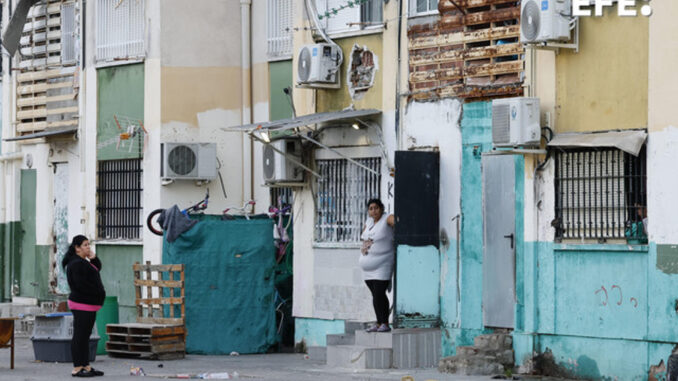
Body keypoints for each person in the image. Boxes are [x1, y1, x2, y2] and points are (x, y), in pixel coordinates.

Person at [62, 235, 106, 377]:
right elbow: (80, 285)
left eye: (89, 244)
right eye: (85, 245)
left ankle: (86, 366)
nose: (88, 247)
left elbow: (96, 268)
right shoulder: (76, 264)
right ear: (77, 247)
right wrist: (96, 293)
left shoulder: (83, 261)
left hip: (88, 304)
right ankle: (77, 368)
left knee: (85, 336)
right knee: (80, 336)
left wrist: (93, 257)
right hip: (82, 304)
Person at [359, 198, 395, 333]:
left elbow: (397, 222)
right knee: (375, 295)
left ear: (381, 208)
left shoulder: (386, 219)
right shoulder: (368, 222)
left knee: (380, 293)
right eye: (371, 208)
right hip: (367, 268)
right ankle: (378, 322)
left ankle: (385, 322)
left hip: (383, 264)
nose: (373, 211)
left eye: (376, 208)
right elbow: (363, 236)